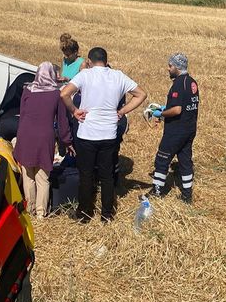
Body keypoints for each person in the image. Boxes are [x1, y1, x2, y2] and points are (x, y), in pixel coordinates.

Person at [60, 47, 146, 222]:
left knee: (86, 174)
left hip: (87, 133)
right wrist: (121, 111)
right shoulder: (118, 75)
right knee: (107, 176)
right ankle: (107, 214)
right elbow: (141, 94)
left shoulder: (85, 75)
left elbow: (64, 93)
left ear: (90, 61)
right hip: (109, 133)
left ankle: (84, 213)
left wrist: (75, 111)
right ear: (106, 61)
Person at [14, 62, 72, 218]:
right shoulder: (56, 95)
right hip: (44, 137)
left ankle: (30, 210)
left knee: (28, 176)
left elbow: (22, 115)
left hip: (25, 135)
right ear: (52, 75)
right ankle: (41, 213)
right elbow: (62, 121)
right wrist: (67, 141)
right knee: (43, 177)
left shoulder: (27, 91)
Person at [146, 53, 199, 203]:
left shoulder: (178, 84)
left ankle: (157, 192)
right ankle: (187, 195)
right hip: (189, 128)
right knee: (185, 161)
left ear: (177, 67)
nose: (168, 69)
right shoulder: (191, 82)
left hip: (176, 130)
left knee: (162, 159)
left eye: (170, 66)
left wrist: (161, 113)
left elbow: (177, 110)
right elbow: (186, 104)